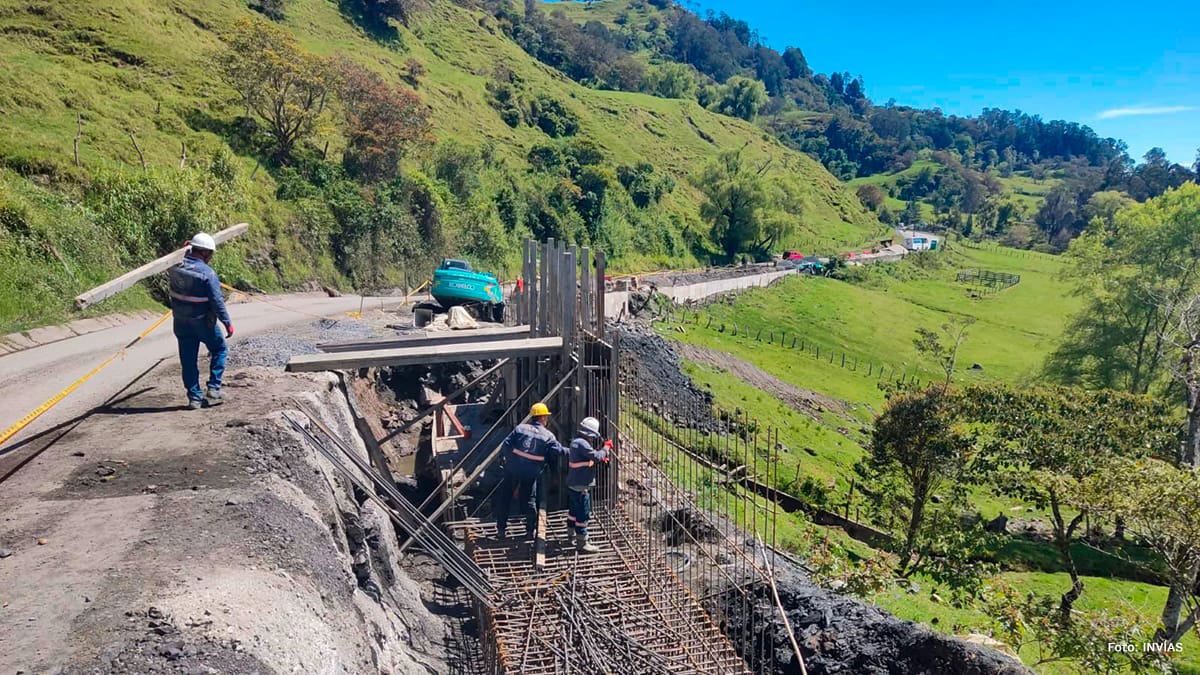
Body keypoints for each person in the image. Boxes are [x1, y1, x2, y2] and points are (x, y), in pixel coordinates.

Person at [168, 233, 233, 410]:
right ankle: (214, 387)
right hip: (203, 322)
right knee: (219, 349)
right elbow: (217, 302)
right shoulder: (207, 274)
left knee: (188, 360)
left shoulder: (174, 268)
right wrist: (227, 322)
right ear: (205, 253)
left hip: (180, 322)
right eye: (210, 254)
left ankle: (194, 398)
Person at [494, 402, 565, 541]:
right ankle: (529, 531)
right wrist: (576, 450)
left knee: (505, 499)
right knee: (529, 501)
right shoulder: (548, 436)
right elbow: (555, 454)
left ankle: (501, 530)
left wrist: (509, 460)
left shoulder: (520, 428)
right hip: (530, 473)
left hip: (513, 470)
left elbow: (506, 445)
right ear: (543, 417)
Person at [566, 417, 610, 553]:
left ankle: (570, 534)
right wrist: (606, 448)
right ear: (590, 433)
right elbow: (596, 457)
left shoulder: (576, 442)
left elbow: (587, 460)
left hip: (573, 483)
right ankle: (582, 543)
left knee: (573, 511)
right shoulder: (583, 444)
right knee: (583, 515)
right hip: (581, 486)